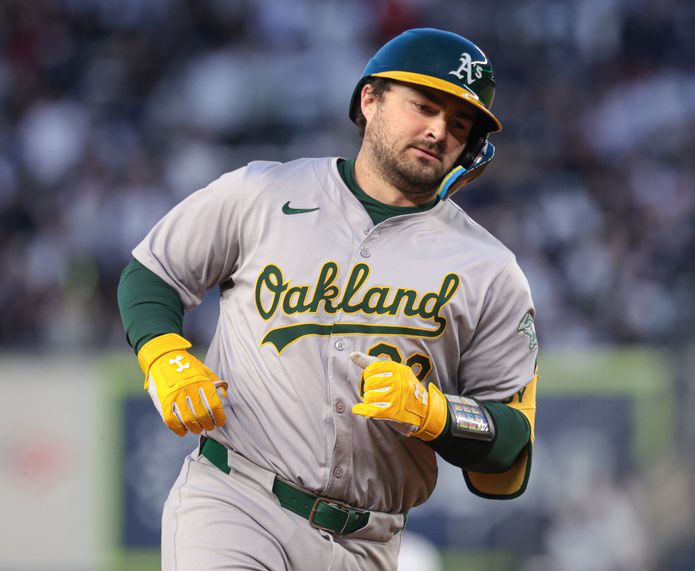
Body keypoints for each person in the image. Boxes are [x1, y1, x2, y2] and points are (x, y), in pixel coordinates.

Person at [117, 27, 539, 571]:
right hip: (238, 499)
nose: (438, 131)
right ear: (370, 100)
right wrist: (163, 356)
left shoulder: (491, 269)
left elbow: (509, 449)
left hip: (371, 541)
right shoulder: (262, 194)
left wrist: (434, 413)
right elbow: (152, 272)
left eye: (459, 124)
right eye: (424, 106)